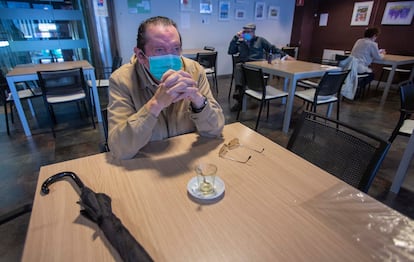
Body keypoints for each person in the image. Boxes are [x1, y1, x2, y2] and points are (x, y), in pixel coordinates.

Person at [107, 16, 225, 160]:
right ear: (140, 55)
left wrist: (199, 102)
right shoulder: (121, 80)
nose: (170, 57)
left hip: (189, 160)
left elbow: (215, 130)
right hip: (148, 163)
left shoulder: (194, 71)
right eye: (160, 50)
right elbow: (119, 149)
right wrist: (155, 105)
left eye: (176, 48)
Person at [227, 23, 294, 111]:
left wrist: (285, 55)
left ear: (253, 32)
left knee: (241, 72)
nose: (246, 34)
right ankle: (240, 97)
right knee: (239, 67)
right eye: (245, 32)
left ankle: (241, 93)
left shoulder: (260, 40)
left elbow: (272, 48)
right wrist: (236, 37)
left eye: (248, 32)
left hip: (257, 66)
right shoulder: (240, 42)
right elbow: (230, 51)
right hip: (244, 66)